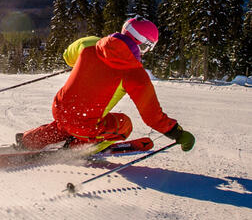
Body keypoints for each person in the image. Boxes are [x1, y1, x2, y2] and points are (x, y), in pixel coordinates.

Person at [19, 16, 195, 153]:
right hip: (84, 123)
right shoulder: (134, 72)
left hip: (59, 108)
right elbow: (152, 116)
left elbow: (68, 57)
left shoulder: (91, 44)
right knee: (124, 124)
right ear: (143, 45)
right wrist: (178, 133)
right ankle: (78, 149)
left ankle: (29, 140)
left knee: (67, 122)